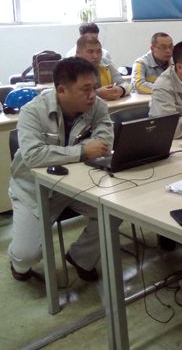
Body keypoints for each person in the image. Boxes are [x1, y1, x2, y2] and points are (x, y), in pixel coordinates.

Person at [7, 58, 113, 282]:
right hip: (33, 190)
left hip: (77, 185)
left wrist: (78, 151)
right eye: (85, 89)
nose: (93, 95)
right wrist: (82, 151)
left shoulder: (98, 107)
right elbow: (33, 156)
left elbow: (104, 143)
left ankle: (81, 257)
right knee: (27, 256)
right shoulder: (32, 112)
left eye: (94, 88)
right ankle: (18, 263)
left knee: (115, 212)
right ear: (61, 90)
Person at [76, 36, 131, 101]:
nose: (95, 56)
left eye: (99, 51)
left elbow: (126, 85)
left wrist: (121, 90)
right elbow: (69, 96)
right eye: (90, 52)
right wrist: (97, 93)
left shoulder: (105, 64)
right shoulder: (70, 69)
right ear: (78, 53)